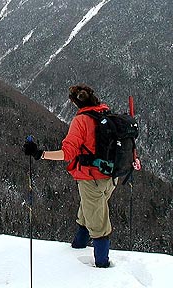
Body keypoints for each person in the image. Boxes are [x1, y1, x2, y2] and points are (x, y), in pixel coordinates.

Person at [23, 83, 117, 268]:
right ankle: (79, 245)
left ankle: (102, 266)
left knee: (98, 224)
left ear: (74, 102)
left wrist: (40, 154)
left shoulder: (81, 121)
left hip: (91, 178)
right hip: (111, 176)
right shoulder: (106, 113)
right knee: (88, 209)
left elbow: (68, 153)